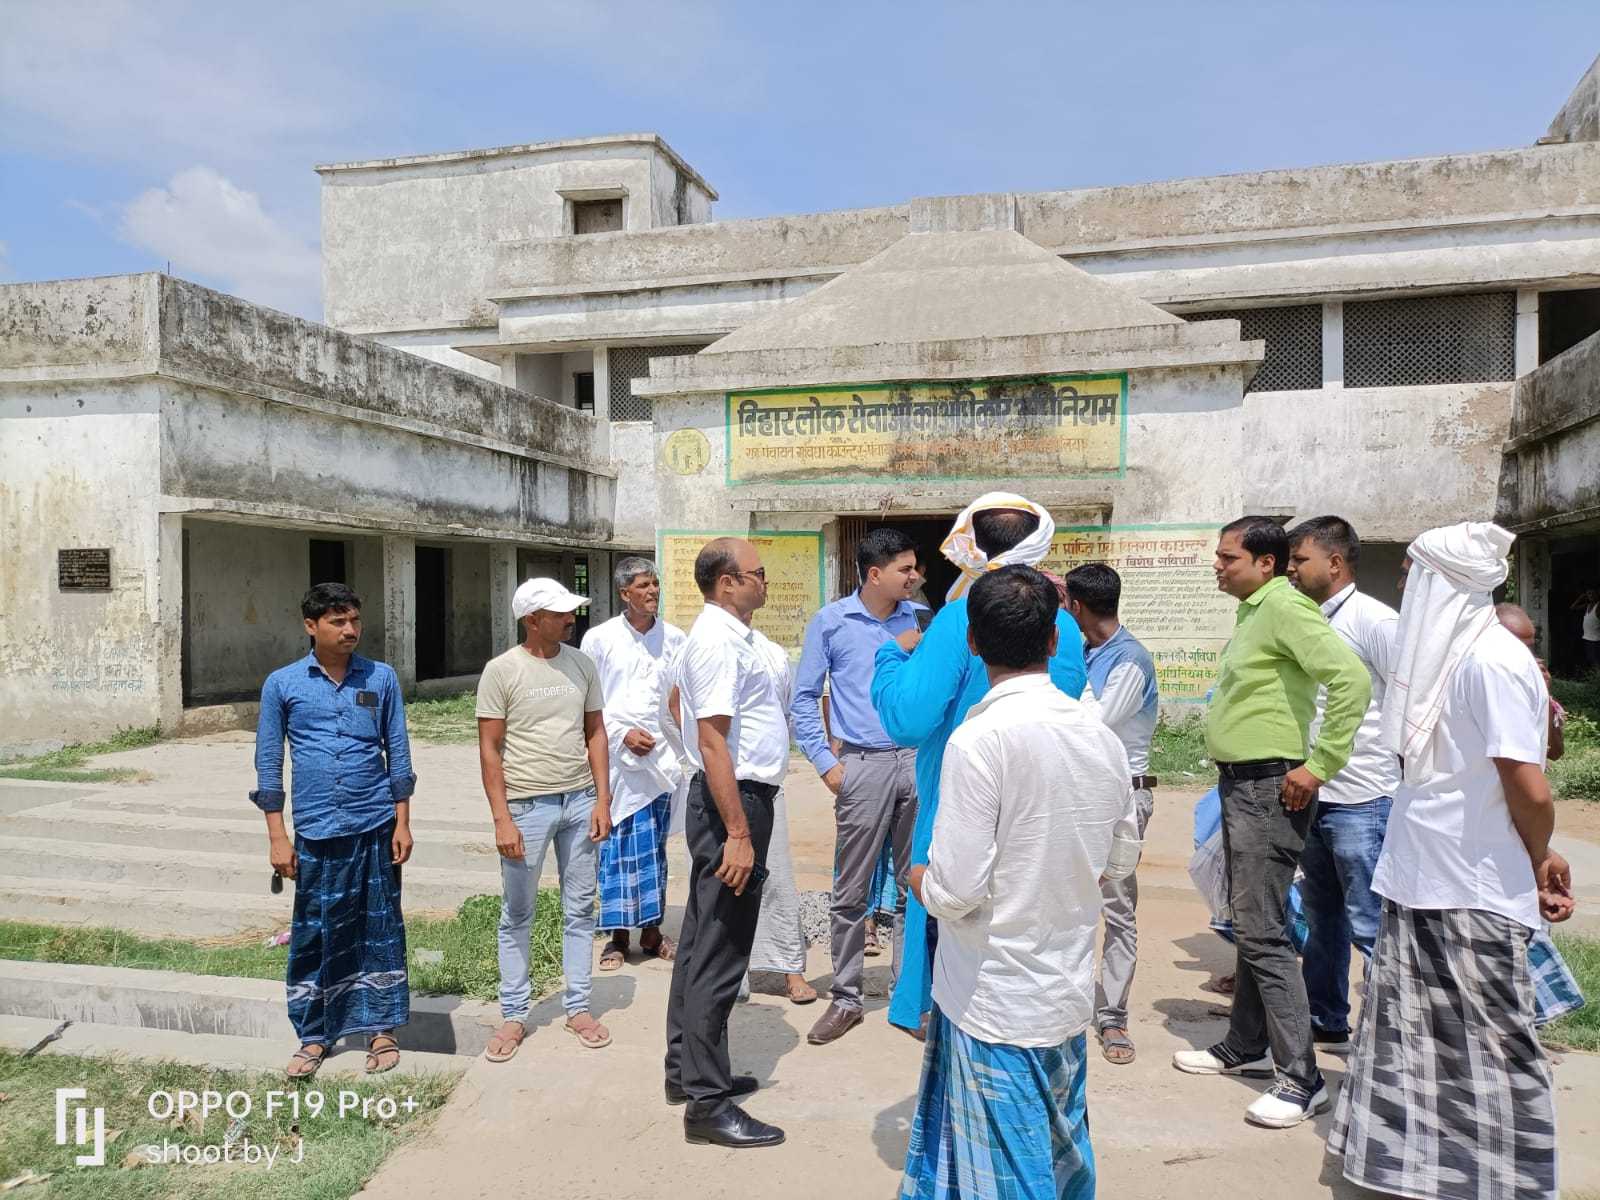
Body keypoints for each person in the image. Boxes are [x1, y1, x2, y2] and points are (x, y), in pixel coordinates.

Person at [1331, 522, 1573, 1200]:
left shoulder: (1492, 661)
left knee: (1492, 1045)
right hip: (1425, 876)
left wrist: (1540, 856)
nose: (1404, 585)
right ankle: (1423, 1170)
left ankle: (1506, 1180)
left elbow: (1528, 787)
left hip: (1473, 884)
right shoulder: (1448, 657)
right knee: (1419, 1039)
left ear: (1449, 582)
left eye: (1414, 574)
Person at [900, 566, 1140, 1200]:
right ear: (1057, 641)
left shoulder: (979, 740)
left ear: (972, 643)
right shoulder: (1101, 738)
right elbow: (1118, 862)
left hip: (994, 1000)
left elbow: (955, 891)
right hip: (1062, 991)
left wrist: (917, 877)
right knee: (1059, 1154)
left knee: (1007, 1176)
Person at [1173, 516, 1370, 1130]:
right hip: (1245, 783)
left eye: (1229, 557)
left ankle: (1301, 1077)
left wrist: (1320, 765)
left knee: (1261, 931)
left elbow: (1352, 680)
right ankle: (1245, 1044)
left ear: (1265, 562)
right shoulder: (1255, 610)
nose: (1217, 565)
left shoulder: (1285, 608)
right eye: (1219, 555)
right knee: (1258, 918)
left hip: (1271, 783)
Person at [872, 493, 1088, 1039]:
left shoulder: (957, 619)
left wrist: (892, 657)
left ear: (972, 540)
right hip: (1044, 815)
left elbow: (908, 719)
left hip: (960, 809)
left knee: (957, 953)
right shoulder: (1062, 628)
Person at [252, 582, 416, 1079]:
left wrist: (402, 822)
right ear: (310, 626)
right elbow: (268, 764)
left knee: (379, 929)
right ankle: (314, 1035)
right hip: (317, 829)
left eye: (354, 621)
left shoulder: (381, 678)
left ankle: (382, 1030)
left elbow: (399, 755)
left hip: (375, 825)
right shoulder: (283, 684)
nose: (349, 630)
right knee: (315, 934)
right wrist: (277, 836)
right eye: (337, 622)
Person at [664, 537, 790, 1148]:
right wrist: (738, 831)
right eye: (757, 573)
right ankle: (707, 1106)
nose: (766, 580)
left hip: (735, 798)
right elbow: (713, 740)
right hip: (732, 803)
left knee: (699, 940)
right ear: (726, 582)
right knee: (722, 949)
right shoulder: (714, 641)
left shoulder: (732, 639)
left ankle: (685, 1073)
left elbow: (676, 706)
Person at [793, 527, 924, 1045]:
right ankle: (846, 997)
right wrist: (827, 762)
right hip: (861, 765)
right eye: (905, 569)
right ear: (875, 574)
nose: (914, 577)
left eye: (914, 568)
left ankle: (909, 996)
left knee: (916, 885)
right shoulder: (831, 622)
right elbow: (804, 697)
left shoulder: (920, 620)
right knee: (850, 893)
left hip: (914, 761)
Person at [478, 578, 613, 1063]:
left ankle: (578, 1006)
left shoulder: (582, 664)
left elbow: (595, 733)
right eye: (558, 613)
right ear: (531, 620)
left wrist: (602, 800)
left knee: (580, 910)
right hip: (526, 807)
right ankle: (514, 1014)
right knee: (518, 914)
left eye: (569, 611)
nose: (569, 619)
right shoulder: (501, 672)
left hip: (579, 803)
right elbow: (490, 750)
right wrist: (501, 818)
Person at [1283, 516, 1399, 1055]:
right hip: (1313, 794)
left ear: (1334, 562)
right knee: (1320, 915)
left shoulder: (1375, 621)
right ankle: (1326, 1017)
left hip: (1363, 795)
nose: (1290, 569)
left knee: (1370, 921)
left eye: (1298, 560)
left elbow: (1406, 701)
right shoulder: (1304, 618)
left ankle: (1390, 1036)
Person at [1064, 562, 1159, 1067]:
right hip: (1082, 795)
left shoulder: (1129, 661)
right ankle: (1072, 1002)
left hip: (1123, 798)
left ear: (1075, 607)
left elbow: (1092, 724)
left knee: (1117, 909)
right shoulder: (1085, 653)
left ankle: (1113, 1015)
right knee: (1072, 901)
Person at [579, 557, 687, 970]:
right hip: (616, 761)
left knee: (653, 847)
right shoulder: (600, 639)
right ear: (625, 593)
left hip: (660, 760)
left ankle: (653, 931)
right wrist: (622, 732)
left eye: (656, 584)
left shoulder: (675, 639)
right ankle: (618, 938)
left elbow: (678, 701)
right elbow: (590, 702)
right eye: (644, 585)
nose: (653, 591)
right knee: (616, 847)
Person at [745, 626, 819, 1005]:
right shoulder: (705, 643)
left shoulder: (772, 652)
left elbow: (789, 711)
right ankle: (734, 977)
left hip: (769, 785)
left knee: (777, 877)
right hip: (720, 786)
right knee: (725, 883)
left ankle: (791, 969)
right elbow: (677, 708)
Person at [1498, 603, 1565, 761]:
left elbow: (1555, 752)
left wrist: (1544, 694)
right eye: (1518, 648)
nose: (1527, 657)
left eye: (1529, 648)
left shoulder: (1531, 678)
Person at [1577, 589, 1600, 672]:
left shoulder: (1598, 605)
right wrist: (1580, 598)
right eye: (1589, 594)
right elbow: (1573, 608)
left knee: (1595, 662)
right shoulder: (1587, 605)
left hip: (1595, 640)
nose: (1591, 596)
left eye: (1593, 593)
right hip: (1587, 638)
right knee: (1590, 661)